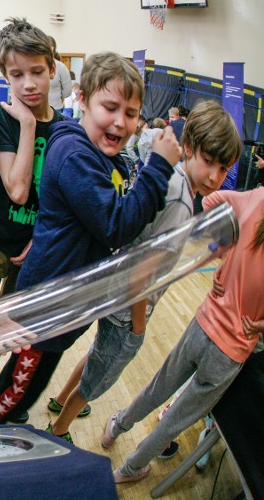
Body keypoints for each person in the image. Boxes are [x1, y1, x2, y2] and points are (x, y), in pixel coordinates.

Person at [0, 51, 182, 426]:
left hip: (63, 308)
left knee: (25, 379)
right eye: (110, 107)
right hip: (45, 310)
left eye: (132, 114)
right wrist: (159, 167)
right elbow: (116, 224)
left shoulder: (95, 152)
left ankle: (3, 405)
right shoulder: (75, 154)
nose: (121, 122)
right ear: (82, 99)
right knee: (20, 389)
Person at [46, 100, 243, 444]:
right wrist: (138, 327)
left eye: (223, 168)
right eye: (208, 162)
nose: (214, 176)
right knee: (99, 376)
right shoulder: (181, 203)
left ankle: (60, 398)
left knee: (97, 356)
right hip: (128, 308)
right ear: (190, 148)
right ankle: (60, 427)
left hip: (114, 290)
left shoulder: (170, 177)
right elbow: (144, 267)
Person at [103, 186, 263, 484]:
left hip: (203, 325)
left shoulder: (258, 198)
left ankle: (117, 427)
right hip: (231, 352)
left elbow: (211, 201)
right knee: (176, 418)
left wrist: (225, 253)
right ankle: (130, 469)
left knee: (158, 387)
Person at [0, 18, 65, 409]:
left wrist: (39, 240)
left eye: (37, 72)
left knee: (10, 327)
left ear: (52, 69)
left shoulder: (64, 129)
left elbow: (57, 200)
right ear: (4, 76)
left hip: (30, 253)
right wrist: (27, 124)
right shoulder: (3, 117)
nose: (28, 84)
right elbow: (18, 189)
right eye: (17, 74)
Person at [48, 37, 73, 112]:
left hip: (56, 108)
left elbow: (67, 91)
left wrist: (58, 97)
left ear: (52, 48)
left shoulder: (61, 67)